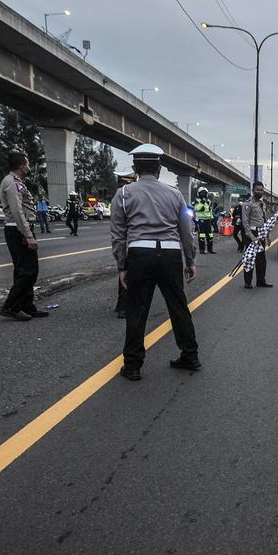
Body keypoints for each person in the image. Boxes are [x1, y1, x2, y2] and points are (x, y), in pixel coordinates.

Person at [110, 144, 199, 381]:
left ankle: (132, 365)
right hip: (170, 255)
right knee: (178, 306)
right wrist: (190, 261)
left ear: (135, 168)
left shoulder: (124, 194)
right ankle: (190, 355)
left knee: (137, 310)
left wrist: (122, 265)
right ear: (159, 169)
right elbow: (186, 232)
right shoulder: (174, 194)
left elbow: (118, 234)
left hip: (139, 254)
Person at [0, 153, 47, 321]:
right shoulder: (12, 183)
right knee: (28, 271)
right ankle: (11, 306)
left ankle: (27, 306)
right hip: (17, 230)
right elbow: (17, 211)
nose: (28, 166)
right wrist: (28, 236)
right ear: (21, 166)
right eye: (27, 163)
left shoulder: (15, 182)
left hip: (18, 229)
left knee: (25, 271)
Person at [241, 181, 274, 289]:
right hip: (252, 233)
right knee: (250, 258)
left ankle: (261, 281)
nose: (260, 192)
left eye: (261, 190)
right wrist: (251, 237)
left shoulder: (262, 204)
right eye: (258, 190)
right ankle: (248, 282)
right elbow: (245, 222)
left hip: (261, 233)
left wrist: (268, 235)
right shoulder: (248, 204)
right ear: (253, 190)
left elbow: (264, 220)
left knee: (261, 259)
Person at [192, 187, 216, 254]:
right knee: (201, 235)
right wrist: (202, 202)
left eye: (205, 193)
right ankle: (202, 249)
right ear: (199, 194)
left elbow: (210, 210)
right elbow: (197, 208)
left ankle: (210, 249)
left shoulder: (208, 201)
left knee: (210, 235)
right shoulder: (196, 201)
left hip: (208, 220)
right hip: (200, 220)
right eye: (202, 193)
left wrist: (212, 218)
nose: (203, 194)